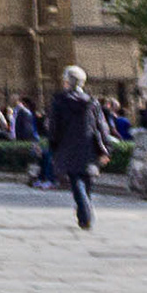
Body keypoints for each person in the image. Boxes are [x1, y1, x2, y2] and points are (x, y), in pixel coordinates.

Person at [46, 65, 104, 231]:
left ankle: (85, 213)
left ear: (66, 82)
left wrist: (53, 144)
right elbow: (100, 127)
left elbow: (54, 126)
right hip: (88, 145)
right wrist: (104, 147)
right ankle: (84, 212)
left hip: (67, 145)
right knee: (86, 178)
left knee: (76, 179)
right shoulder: (92, 102)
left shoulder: (59, 101)